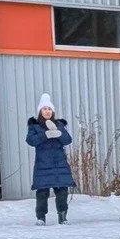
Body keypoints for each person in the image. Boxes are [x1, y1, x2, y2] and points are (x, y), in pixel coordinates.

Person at [26, 96, 74, 224]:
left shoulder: (59, 125)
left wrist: (58, 133)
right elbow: (31, 141)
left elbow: (67, 140)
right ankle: (41, 217)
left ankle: (62, 216)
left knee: (62, 191)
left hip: (60, 165)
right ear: (40, 111)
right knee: (42, 193)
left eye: (49, 109)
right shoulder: (35, 126)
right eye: (44, 109)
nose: (47, 111)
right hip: (43, 165)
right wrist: (45, 134)